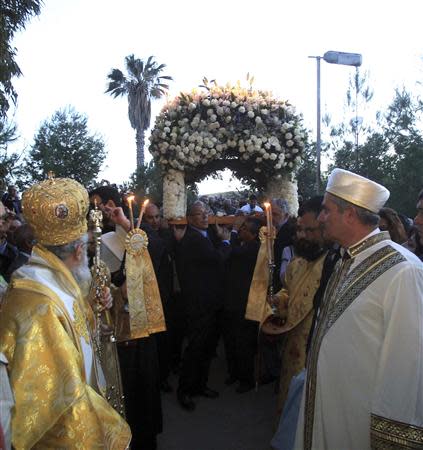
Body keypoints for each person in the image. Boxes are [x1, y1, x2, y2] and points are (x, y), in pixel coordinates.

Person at [294, 168, 423, 450]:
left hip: (359, 424)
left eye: (326, 211)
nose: (320, 218)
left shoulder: (404, 271)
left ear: (349, 214)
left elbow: (407, 365)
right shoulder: (345, 259)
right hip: (329, 406)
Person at [0, 177, 130, 449]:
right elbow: (61, 401)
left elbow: (77, 326)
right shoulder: (40, 301)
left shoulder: (49, 277)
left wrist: (96, 310)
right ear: (80, 250)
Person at [175, 201, 231, 410]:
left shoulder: (204, 235)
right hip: (199, 303)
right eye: (199, 214)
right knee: (196, 348)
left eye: (206, 212)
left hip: (210, 301)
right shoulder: (194, 239)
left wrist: (218, 236)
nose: (205, 217)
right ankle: (185, 390)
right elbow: (217, 259)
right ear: (189, 219)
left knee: (207, 347)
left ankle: (200, 385)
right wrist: (226, 241)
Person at [222, 216, 261, 393]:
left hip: (243, 302)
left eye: (245, 229)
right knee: (231, 340)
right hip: (232, 299)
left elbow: (231, 253)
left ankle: (246, 379)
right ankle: (235, 373)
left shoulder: (254, 248)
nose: (241, 231)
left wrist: (232, 233)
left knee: (243, 342)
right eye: (241, 228)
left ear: (253, 234)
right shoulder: (244, 245)